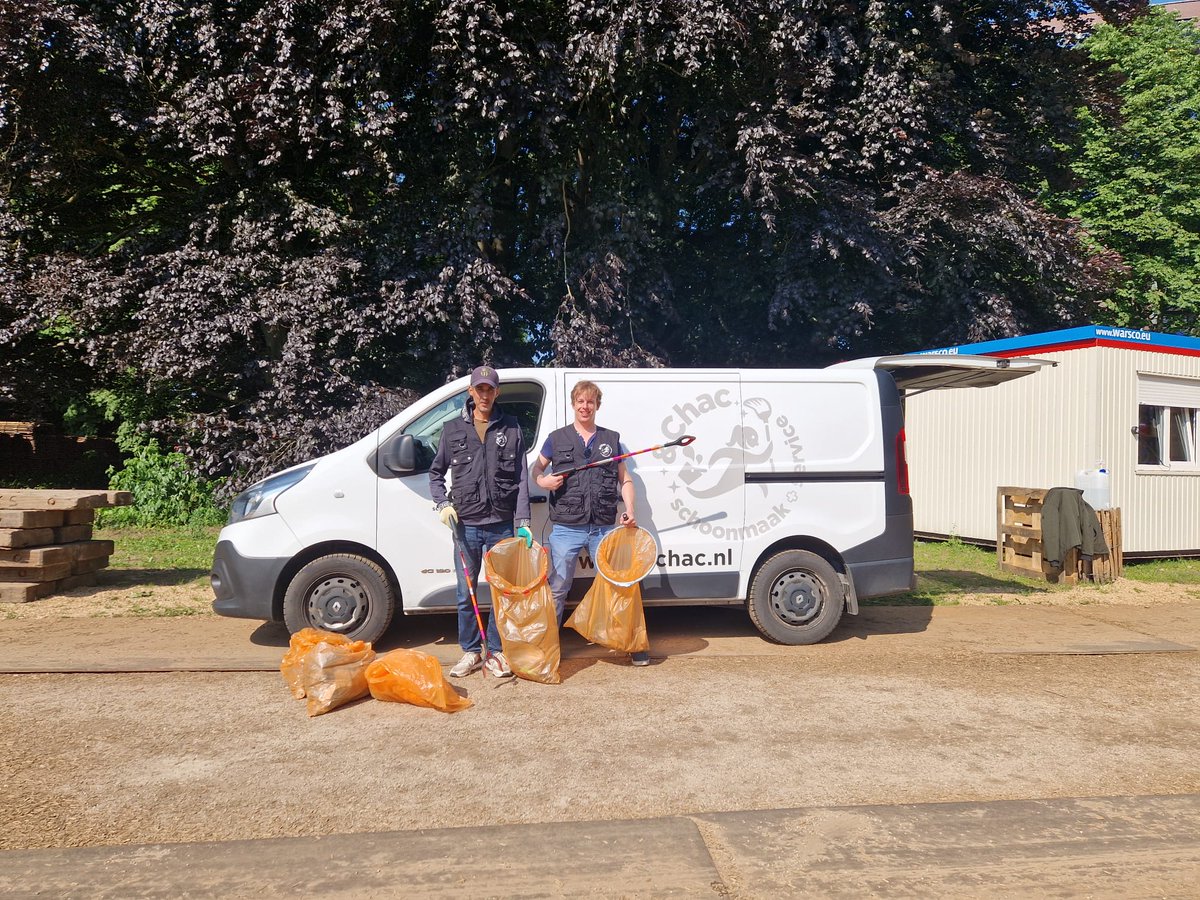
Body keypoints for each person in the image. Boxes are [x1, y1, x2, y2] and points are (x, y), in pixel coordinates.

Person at [531, 380, 650, 666]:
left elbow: (626, 480)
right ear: (573, 404)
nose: (585, 407)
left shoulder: (611, 439)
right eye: (580, 401)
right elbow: (537, 468)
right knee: (558, 587)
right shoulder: (556, 438)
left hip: (603, 528)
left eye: (590, 402)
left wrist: (630, 509)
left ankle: (632, 643)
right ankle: (547, 648)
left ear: (597, 405)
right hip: (566, 527)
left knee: (619, 583)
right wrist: (543, 481)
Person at [429, 365, 533, 679]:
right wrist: (442, 503)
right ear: (471, 392)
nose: (485, 394)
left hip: (501, 523)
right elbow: (435, 474)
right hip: (466, 526)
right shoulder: (451, 430)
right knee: (466, 592)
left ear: (496, 392)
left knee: (502, 593)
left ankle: (497, 653)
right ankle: (472, 652)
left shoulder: (512, 428)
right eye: (480, 389)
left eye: (490, 389)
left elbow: (522, 478)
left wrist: (523, 520)